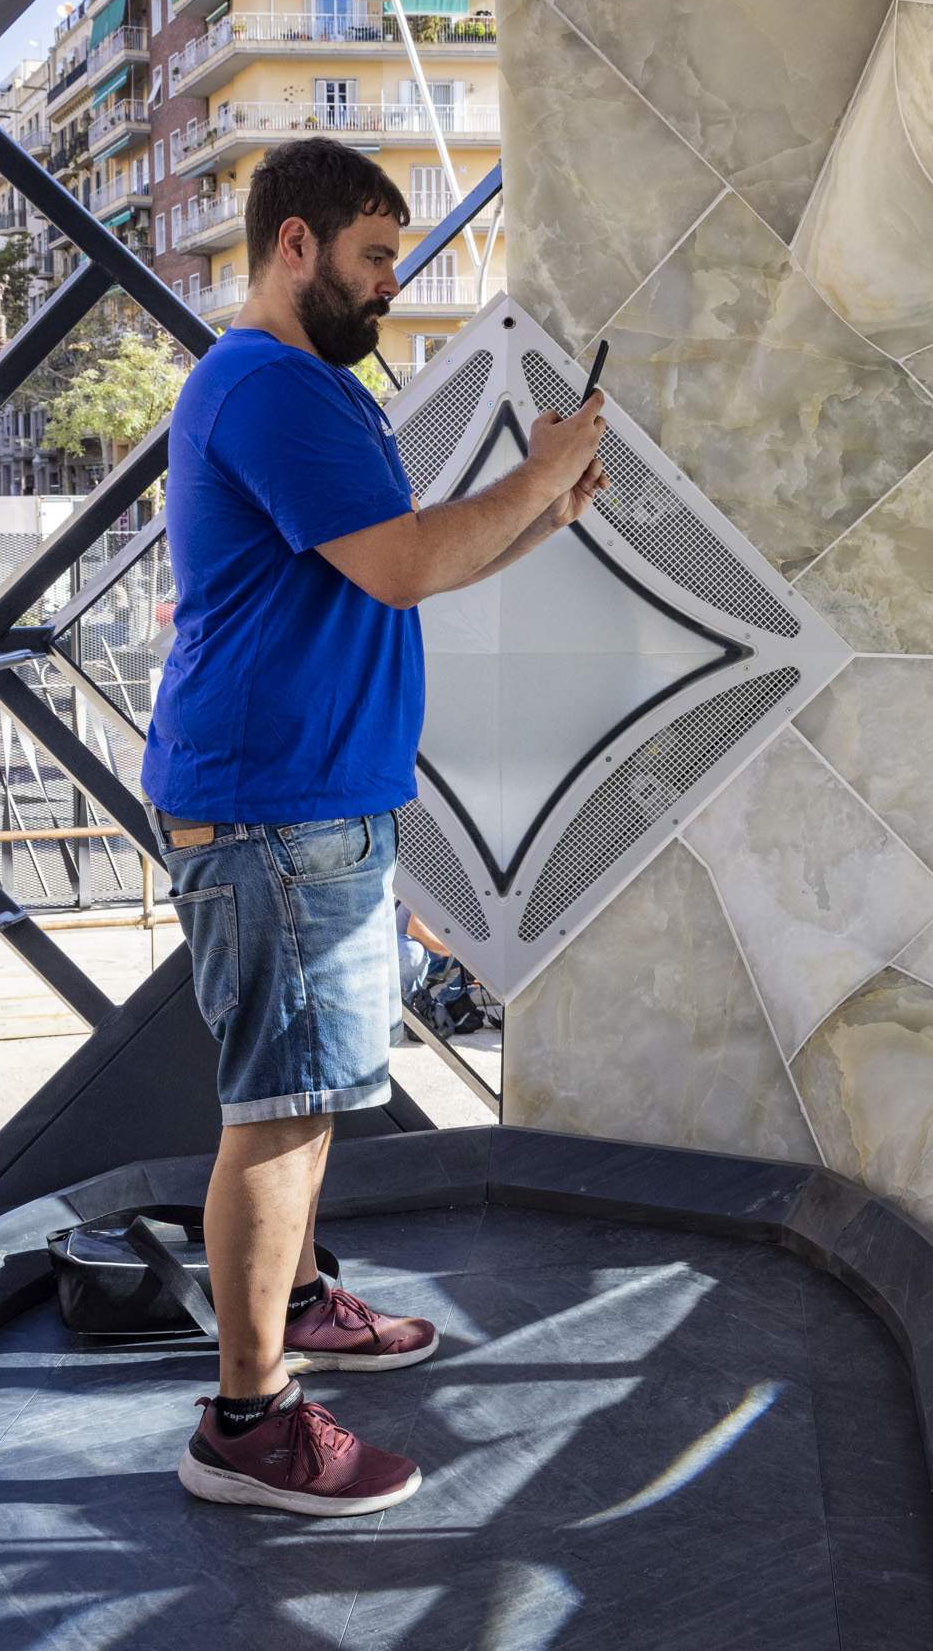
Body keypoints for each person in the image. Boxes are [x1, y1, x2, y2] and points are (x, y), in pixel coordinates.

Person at [142, 136, 606, 1516]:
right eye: (372, 254)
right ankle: (249, 1416)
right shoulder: (269, 386)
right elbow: (405, 565)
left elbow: (399, 573)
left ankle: (292, 1297)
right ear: (294, 243)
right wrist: (536, 484)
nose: (391, 283)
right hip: (273, 807)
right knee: (278, 1112)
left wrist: (547, 504)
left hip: (315, 801)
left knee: (314, 1088)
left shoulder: (307, 391)